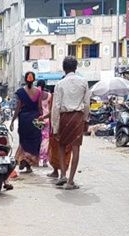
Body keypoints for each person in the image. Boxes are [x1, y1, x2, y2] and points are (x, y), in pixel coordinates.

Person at [51, 56, 90, 190]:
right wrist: (85, 120)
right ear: (75, 67)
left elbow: (55, 107)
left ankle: (63, 175)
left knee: (62, 145)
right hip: (77, 116)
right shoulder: (83, 82)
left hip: (64, 117)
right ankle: (70, 181)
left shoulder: (59, 84)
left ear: (64, 68)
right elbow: (86, 104)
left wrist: (55, 127)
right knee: (75, 148)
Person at [10, 71, 42, 173]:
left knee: (24, 141)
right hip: (35, 119)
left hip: (24, 120)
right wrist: (42, 119)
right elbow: (40, 107)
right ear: (34, 80)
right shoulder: (38, 92)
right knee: (34, 141)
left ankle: (23, 159)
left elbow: (18, 108)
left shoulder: (20, 92)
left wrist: (12, 121)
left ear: (25, 80)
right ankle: (28, 165)